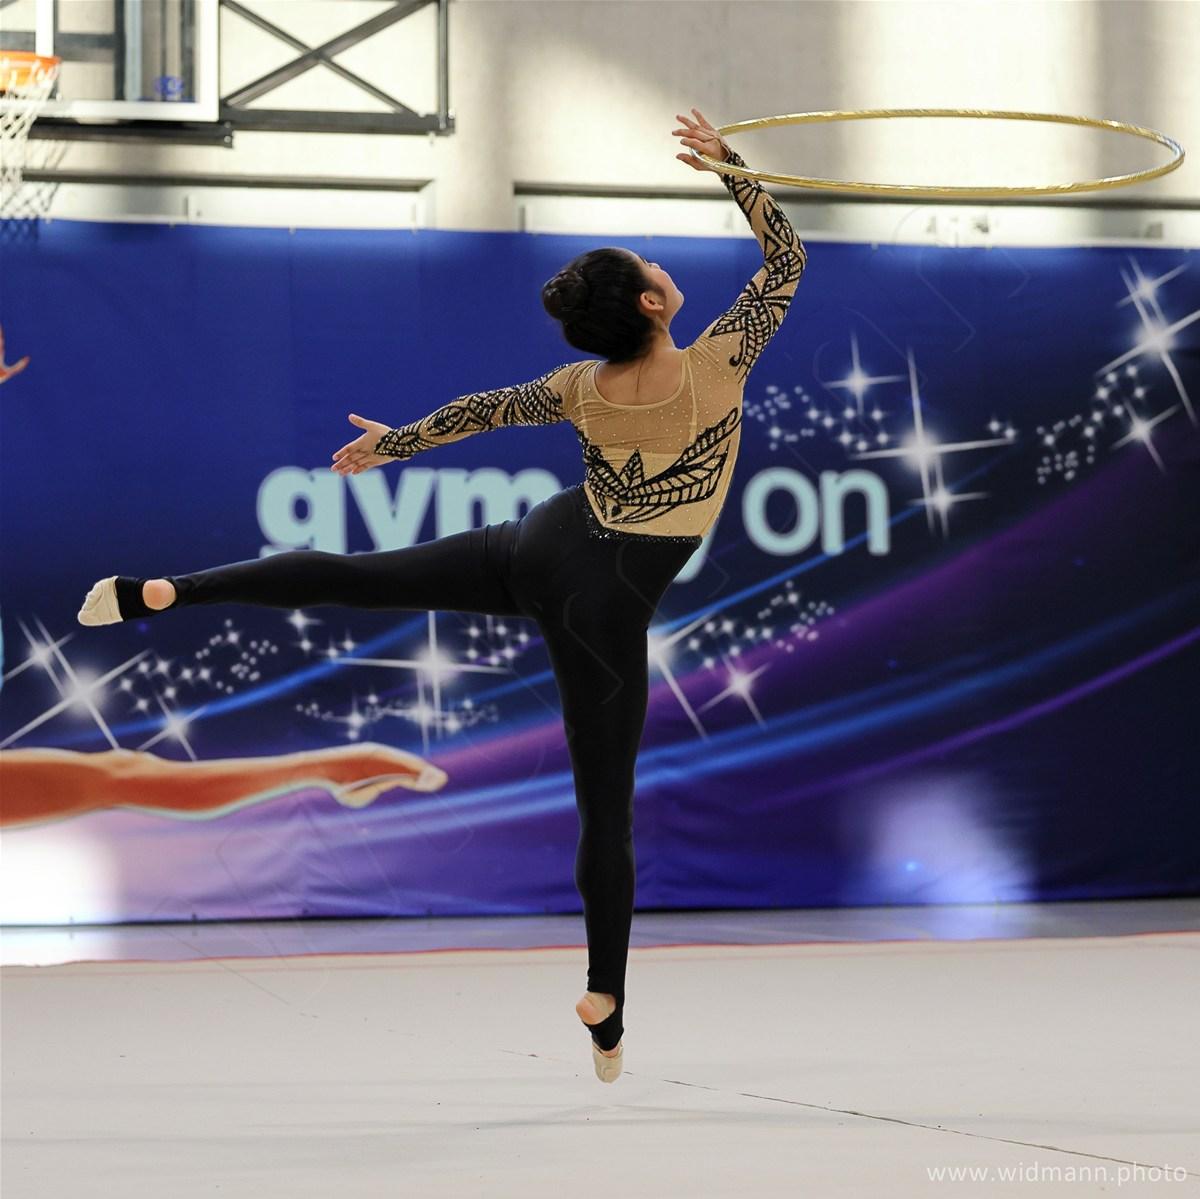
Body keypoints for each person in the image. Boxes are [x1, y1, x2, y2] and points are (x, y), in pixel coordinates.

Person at [77, 108, 807, 1083]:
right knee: (606, 809)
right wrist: (731, 168)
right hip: (603, 604)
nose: (659, 266)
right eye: (647, 266)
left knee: (359, 578)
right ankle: (605, 1000)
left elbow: (483, 411)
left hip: (544, 544)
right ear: (650, 303)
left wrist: (396, 443)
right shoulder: (718, 364)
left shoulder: (581, 386)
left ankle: (161, 591)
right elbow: (787, 259)